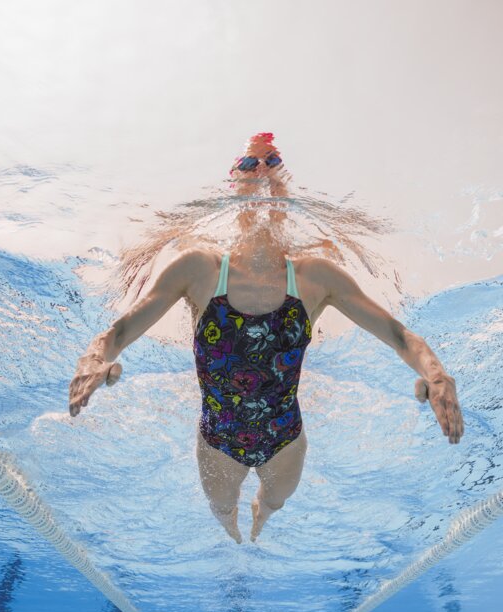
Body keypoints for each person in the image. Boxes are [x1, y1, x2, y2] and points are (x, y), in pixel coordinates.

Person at [69, 132, 464, 544]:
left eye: (271, 162)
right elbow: (119, 333)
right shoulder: (199, 270)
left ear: (285, 187)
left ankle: (261, 520)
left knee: (274, 502)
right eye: (248, 165)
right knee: (223, 510)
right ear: (233, 184)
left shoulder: (315, 277)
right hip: (217, 444)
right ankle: (236, 532)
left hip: (285, 443)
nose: (260, 172)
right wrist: (93, 359)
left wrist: (437, 376)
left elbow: (399, 336)